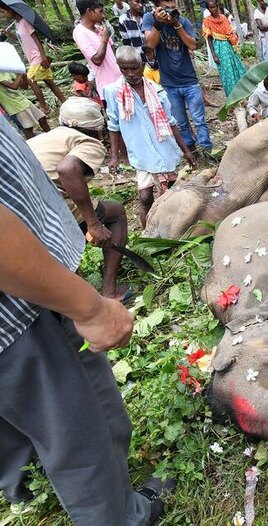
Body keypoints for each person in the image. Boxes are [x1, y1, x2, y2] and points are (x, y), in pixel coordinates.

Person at [0, 114, 176, 526]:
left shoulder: (52, 134)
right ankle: (119, 517)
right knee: (77, 425)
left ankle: (26, 487)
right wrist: (90, 307)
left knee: (17, 419)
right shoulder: (83, 144)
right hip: (20, 307)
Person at [26, 97, 130, 301]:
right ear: (96, 126)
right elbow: (67, 169)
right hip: (47, 206)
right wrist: (93, 224)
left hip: (18, 209)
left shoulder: (45, 138)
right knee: (116, 214)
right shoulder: (87, 141)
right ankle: (109, 292)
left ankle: (80, 303)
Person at [104, 46, 195, 228]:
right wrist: (114, 157)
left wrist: (186, 150)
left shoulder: (156, 89)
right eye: (125, 69)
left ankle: (174, 226)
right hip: (141, 151)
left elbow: (170, 121)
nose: (130, 73)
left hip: (164, 147)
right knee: (145, 197)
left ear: (142, 65)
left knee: (171, 191)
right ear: (119, 68)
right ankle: (147, 233)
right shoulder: (113, 91)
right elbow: (113, 126)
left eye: (134, 68)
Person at [142, 0, 214, 155]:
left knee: (199, 120)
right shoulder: (150, 18)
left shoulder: (183, 21)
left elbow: (192, 45)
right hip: (169, 82)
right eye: (167, 6)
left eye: (173, 5)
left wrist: (176, 24)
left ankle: (207, 150)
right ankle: (190, 149)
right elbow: (150, 45)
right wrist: (158, 24)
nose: (171, 8)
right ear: (158, 6)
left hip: (189, 79)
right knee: (180, 122)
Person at [0, 4, 66, 114]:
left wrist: (43, 56)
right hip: (32, 58)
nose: (2, 15)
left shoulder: (25, 22)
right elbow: (21, 40)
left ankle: (44, 107)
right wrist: (9, 34)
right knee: (49, 82)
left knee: (31, 80)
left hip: (38, 57)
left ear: (11, 10)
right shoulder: (17, 24)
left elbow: (36, 39)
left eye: (3, 12)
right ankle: (64, 102)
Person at [73, 0, 122, 93]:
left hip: (120, 80)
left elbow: (112, 50)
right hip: (108, 87)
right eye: (100, 11)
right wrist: (104, 39)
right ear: (90, 12)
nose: (103, 15)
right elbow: (97, 60)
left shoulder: (99, 28)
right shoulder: (80, 32)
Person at [202, 1, 247, 96]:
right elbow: (209, 39)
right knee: (226, 72)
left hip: (229, 46)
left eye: (214, 7)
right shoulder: (207, 21)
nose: (213, 9)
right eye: (211, 8)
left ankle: (243, 92)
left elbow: (230, 31)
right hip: (218, 48)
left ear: (217, 6)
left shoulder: (223, 18)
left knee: (237, 67)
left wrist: (233, 39)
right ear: (208, 9)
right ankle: (231, 95)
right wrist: (214, 55)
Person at [0, 70, 50, 138]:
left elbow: (24, 87)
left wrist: (24, 76)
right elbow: (13, 87)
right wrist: (20, 75)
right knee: (28, 128)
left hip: (23, 101)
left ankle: (51, 136)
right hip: (14, 106)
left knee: (42, 119)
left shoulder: (8, 71)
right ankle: (33, 145)